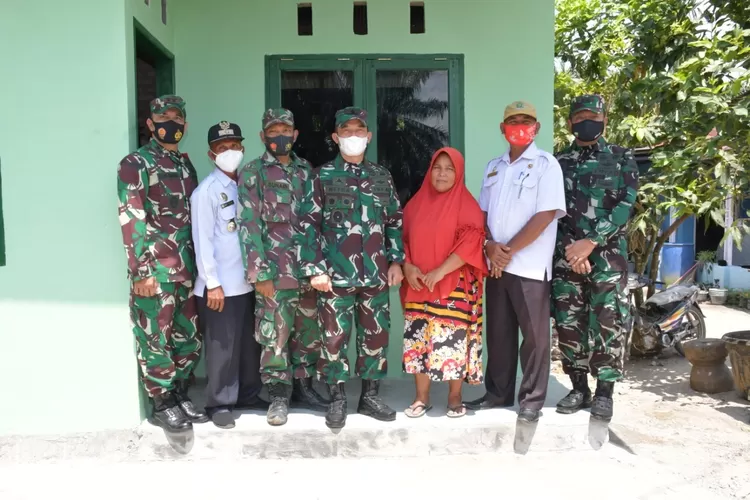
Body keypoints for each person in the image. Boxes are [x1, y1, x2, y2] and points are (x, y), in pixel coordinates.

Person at [465, 101, 566, 423]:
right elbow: (481, 214)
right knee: (499, 333)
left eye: (526, 121)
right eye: (513, 121)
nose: (519, 126)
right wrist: (489, 245)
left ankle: (532, 400)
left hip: (529, 266)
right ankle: (497, 394)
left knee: (535, 338)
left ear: (536, 128)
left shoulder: (546, 165)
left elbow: (545, 215)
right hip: (496, 265)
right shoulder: (493, 167)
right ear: (502, 128)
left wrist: (505, 251)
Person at [117, 95, 208, 432]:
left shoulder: (184, 165)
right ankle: (162, 402)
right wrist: (141, 271)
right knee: (155, 338)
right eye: (164, 117)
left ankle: (180, 393)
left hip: (186, 269)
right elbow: (131, 216)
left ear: (185, 124)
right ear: (151, 123)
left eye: (177, 117)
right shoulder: (136, 163)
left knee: (188, 337)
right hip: (155, 270)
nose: (172, 122)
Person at [237, 108, 331, 427]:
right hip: (274, 274)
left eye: (285, 130)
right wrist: (259, 273)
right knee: (275, 335)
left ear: (295, 134)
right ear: (262, 136)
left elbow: (317, 222)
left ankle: (304, 388)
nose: (280, 136)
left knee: (307, 333)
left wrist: (318, 267)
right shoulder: (253, 172)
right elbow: (248, 224)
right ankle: (278, 395)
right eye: (273, 131)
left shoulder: (307, 171)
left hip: (306, 272)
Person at [315, 107, 405, 429]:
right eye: (346, 131)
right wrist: (316, 268)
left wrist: (396, 261)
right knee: (333, 339)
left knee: (376, 337)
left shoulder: (381, 176)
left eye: (358, 131)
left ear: (368, 137)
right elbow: (308, 225)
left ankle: (369, 397)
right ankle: (337, 398)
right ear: (336, 137)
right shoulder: (322, 176)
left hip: (376, 274)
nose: (353, 136)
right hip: (334, 277)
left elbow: (394, 220)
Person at [552, 94, 639, 422]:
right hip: (567, 258)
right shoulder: (558, 163)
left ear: (604, 120)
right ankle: (579, 388)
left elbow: (625, 206)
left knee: (607, 322)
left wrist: (590, 243)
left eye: (593, 116)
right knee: (568, 323)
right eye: (580, 116)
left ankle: (604, 393)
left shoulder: (621, 157)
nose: (586, 121)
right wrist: (571, 249)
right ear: (570, 122)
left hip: (607, 259)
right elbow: (551, 212)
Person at [191, 121, 269, 429]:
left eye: (234, 146)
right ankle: (219, 403)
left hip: (246, 283)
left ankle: (248, 394)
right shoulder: (206, 192)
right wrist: (212, 283)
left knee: (249, 346)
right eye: (222, 148)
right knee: (222, 348)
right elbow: (203, 240)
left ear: (243, 148)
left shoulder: (245, 186)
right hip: (220, 287)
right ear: (211, 155)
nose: (229, 152)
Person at [401, 147, 488, 419]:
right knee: (419, 340)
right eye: (437, 167)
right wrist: (407, 266)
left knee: (453, 340)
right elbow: (401, 240)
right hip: (418, 285)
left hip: (454, 285)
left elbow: (472, 242)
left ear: (458, 173)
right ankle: (421, 397)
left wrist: (440, 271)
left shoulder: (468, 206)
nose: (442, 174)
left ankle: (454, 396)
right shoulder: (415, 205)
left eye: (449, 169)